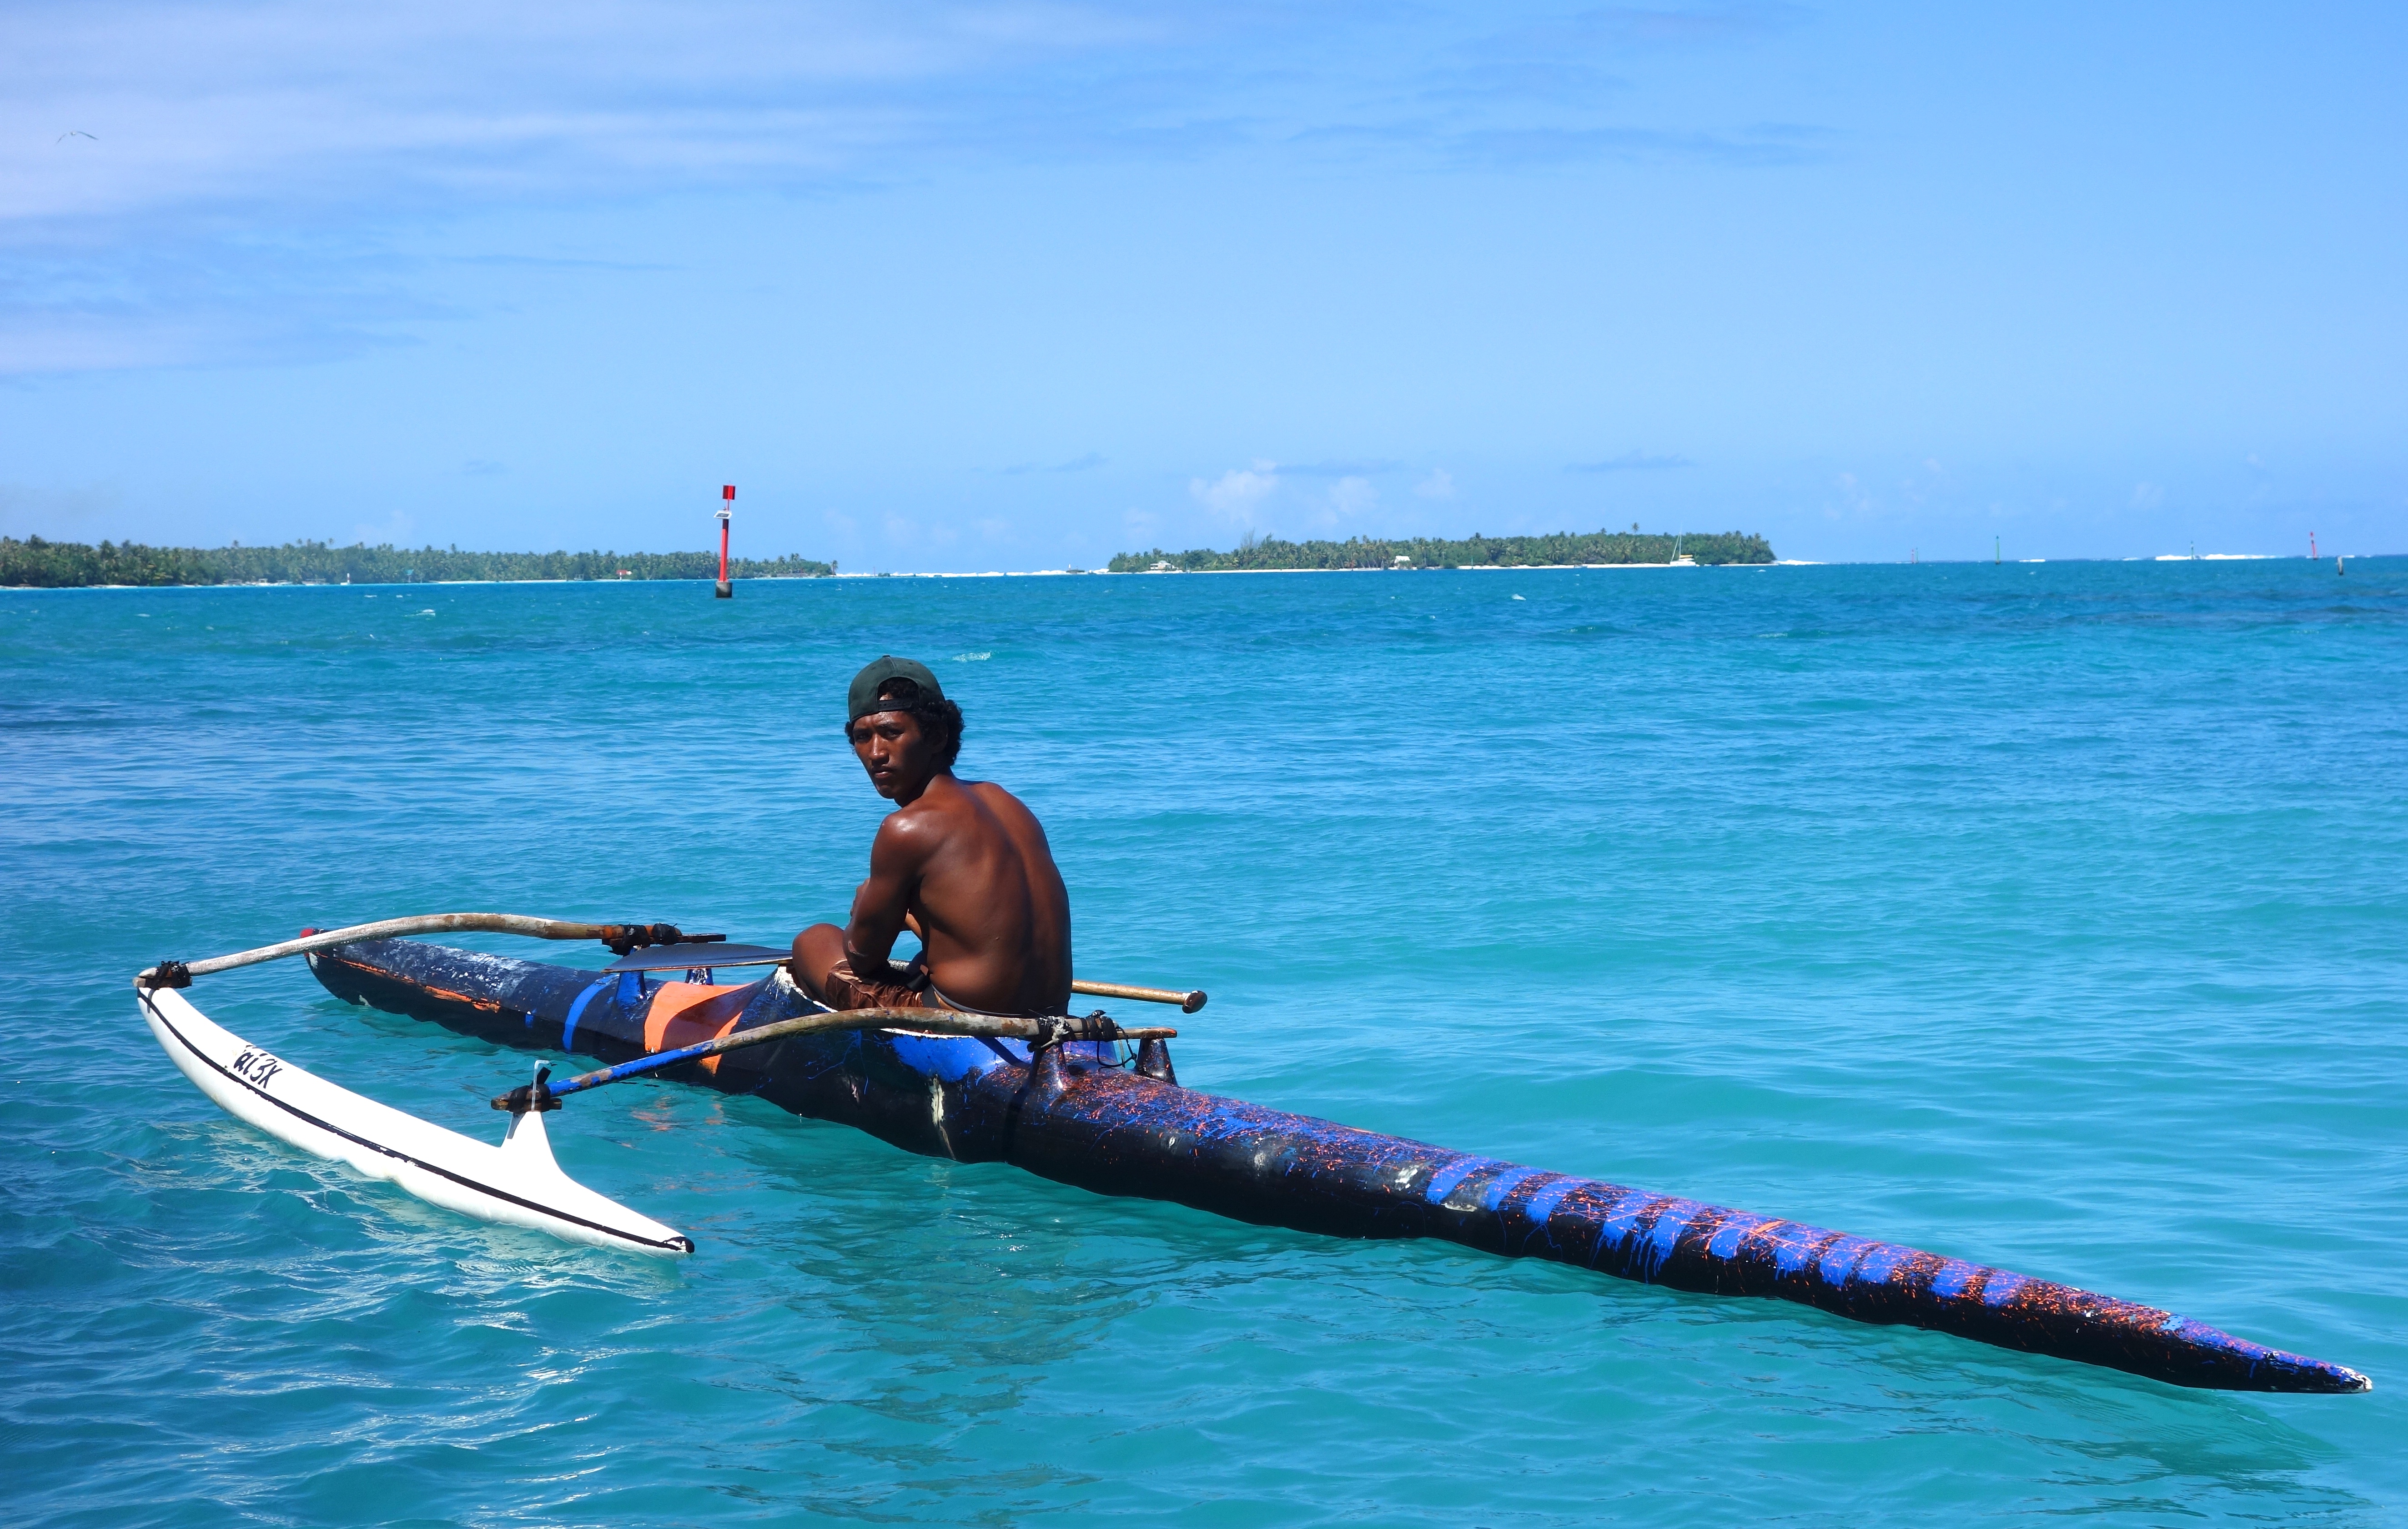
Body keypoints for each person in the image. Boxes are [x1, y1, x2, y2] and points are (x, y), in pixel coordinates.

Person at [789, 656, 1074, 1018]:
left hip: (967, 1019)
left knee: (813, 940)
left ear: (937, 736)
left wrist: (864, 906)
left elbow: (862, 955)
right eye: (863, 737)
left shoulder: (906, 827)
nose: (876, 753)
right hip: (1052, 1013)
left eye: (891, 733)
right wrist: (911, 918)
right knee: (926, 956)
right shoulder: (1008, 803)